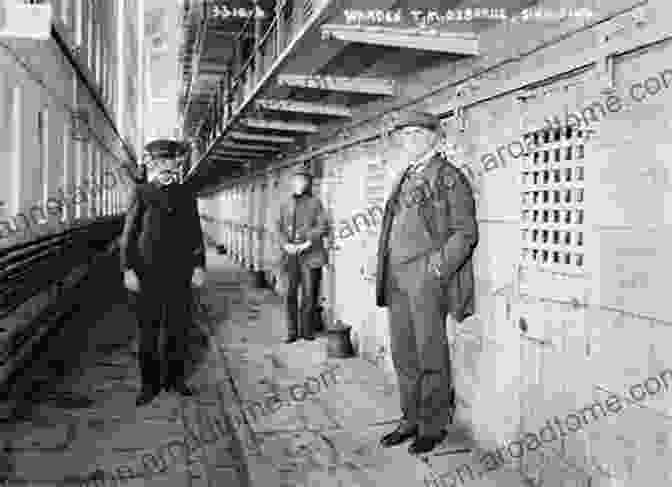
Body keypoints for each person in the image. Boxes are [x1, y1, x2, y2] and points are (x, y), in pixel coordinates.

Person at [375, 110, 478, 454]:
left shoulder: (449, 177)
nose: (410, 141)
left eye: (418, 134)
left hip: (424, 279)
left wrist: (435, 269)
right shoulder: (405, 175)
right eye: (405, 135)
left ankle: (432, 426)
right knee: (403, 353)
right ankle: (410, 420)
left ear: (435, 137)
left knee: (430, 353)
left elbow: (465, 233)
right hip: (396, 278)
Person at [120, 150, 206, 406]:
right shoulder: (142, 192)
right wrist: (127, 269)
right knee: (148, 331)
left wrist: (199, 265)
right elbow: (129, 233)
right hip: (147, 274)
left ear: (177, 166)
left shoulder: (186, 194)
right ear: (153, 166)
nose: (166, 168)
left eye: (170, 163)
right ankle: (149, 385)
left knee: (178, 329)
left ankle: (175, 380)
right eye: (161, 164)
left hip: (179, 273)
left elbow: (195, 233)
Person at [275, 166, 328, 343]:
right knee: (289, 295)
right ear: (292, 182)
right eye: (297, 179)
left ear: (308, 183)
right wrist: (285, 245)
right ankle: (291, 332)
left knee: (309, 295)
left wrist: (308, 242)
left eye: (303, 180)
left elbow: (323, 227)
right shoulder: (285, 204)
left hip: (310, 255)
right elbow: (279, 228)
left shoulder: (316, 203)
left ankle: (306, 331)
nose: (300, 183)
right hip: (290, 256)